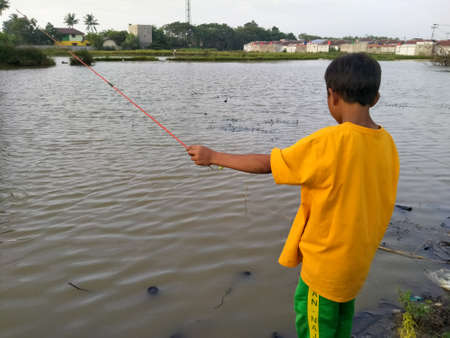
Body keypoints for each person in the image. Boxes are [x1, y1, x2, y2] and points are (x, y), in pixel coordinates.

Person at [187, 53, 399, 338]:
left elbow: (268, 165)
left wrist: (213, 156)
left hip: (324, 273)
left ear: (332, 96)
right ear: (376, 98)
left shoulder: (329, 142)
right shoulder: (387, 143)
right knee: (341, 327)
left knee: (314, 328)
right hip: (355, 267)